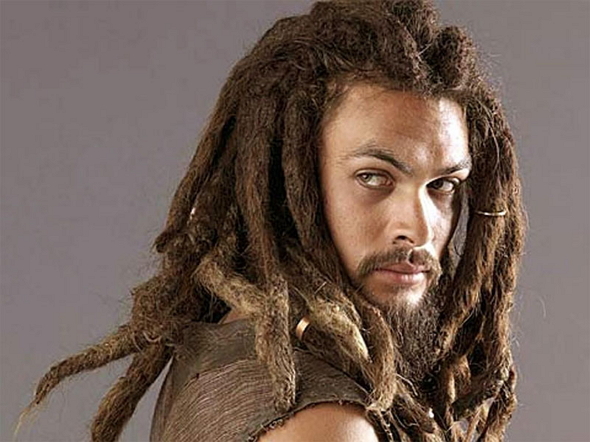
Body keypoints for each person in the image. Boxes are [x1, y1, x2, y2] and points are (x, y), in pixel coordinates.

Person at [24, 0, 525, 441]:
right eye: (374, 178)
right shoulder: (321, 420)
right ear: (293, 182)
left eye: (442, 185)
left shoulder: (243, 342)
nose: (419, 228)